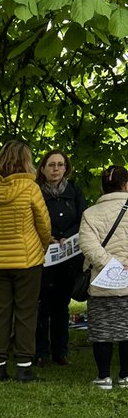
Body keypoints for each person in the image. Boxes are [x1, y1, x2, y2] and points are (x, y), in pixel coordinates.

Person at [0, 140, 52, 383]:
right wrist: (40, 247)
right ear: (25, 161)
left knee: (0, 312)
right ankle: (24, 367)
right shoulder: (30, 188)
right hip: (27, 259)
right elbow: (43, 224)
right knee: (26, 312)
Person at [77, 164, 128, 390]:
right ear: (126, 185)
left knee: (102, 331)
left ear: (102, 186)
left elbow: (88, 246)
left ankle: (103, 376)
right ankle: (125, 376)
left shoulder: (90, 214)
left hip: (101, 281)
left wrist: (111, 265)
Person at [35, 150, 87, 366]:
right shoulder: (36, 191)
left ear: (66, 168)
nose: (55, 169)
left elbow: (84, 217)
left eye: (60, 165)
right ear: (43, 168)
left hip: (68, 256)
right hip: (44, 256)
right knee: (42, 305)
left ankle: (60, 351)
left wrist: (68, 236)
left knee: (61, 304)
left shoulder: (74, 191)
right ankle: (41, 352)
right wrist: (49, 237)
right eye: (51, 165)